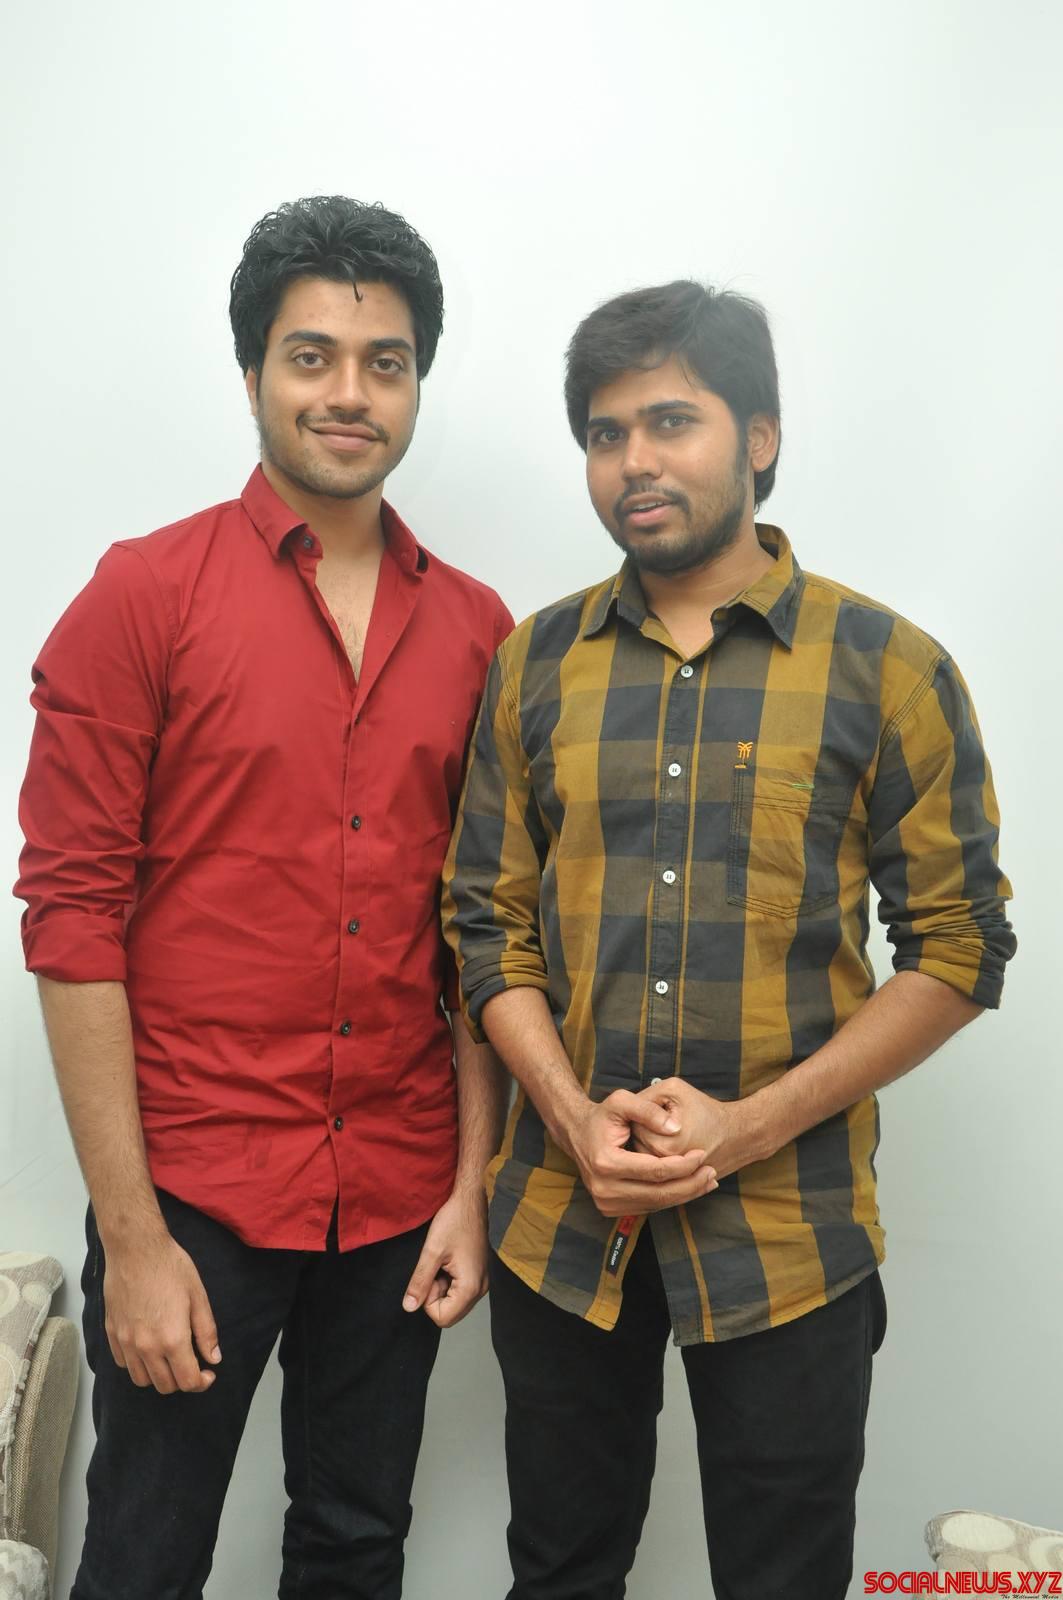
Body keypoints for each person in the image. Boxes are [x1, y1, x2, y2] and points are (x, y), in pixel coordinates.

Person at [442, 279, 1015, 1600]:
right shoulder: (535, 665)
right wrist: (570, 1116)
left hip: (789, 1234)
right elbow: (484, 922)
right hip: (560, 1222)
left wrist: (745, 1130)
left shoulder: (888, 668)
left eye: (671, 421)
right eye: (604, 433)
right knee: (559, 1572)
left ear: (759, 436)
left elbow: (959, 947)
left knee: (783, 1579)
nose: (633, 461)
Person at [16, 194, 512, 1600]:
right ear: (252, 375)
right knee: (145, 1557)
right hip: (196, 1194)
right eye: (312, 357)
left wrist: (471, 1187)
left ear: (416, 385)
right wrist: (132, 1240)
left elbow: (483, 934)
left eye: (385, 362)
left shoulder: (480, 631)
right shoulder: (143, 595)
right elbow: (72, 920)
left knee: (356, 1547)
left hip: (401, 1190)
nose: (349, 392)